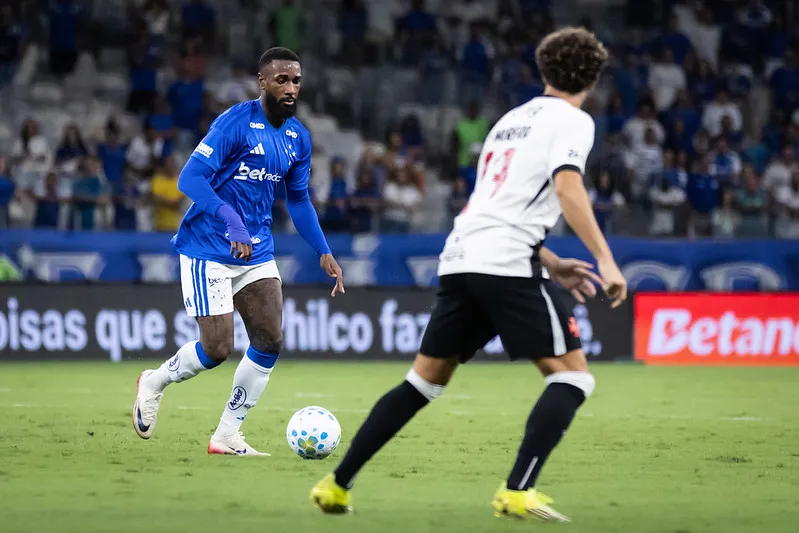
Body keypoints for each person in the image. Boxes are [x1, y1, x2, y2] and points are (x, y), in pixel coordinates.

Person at [311, 27, 626, 522]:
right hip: (505, 262)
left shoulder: (508, 121)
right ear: (593, 76)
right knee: (573, 378)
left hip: (460, 256)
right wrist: (605, 260)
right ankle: (517, 490)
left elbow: (492, 206)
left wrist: (551, 260)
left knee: (423, 381)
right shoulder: (573, 120)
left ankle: (336, 485)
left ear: (545, 70)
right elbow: (567, 189)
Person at [132, 47, 345, 455]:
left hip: (257, 250)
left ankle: (227, 434)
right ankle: (154, 382)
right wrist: (230, 218)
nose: (290, 87)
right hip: (208, 247)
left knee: (269, 339)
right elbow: (190, 178)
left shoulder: (297, 137)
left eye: (296, 80)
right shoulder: (235, 123)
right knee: (216, 349)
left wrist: (323, 249)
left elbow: (297, 201)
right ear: (262, 82)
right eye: (281, 79)